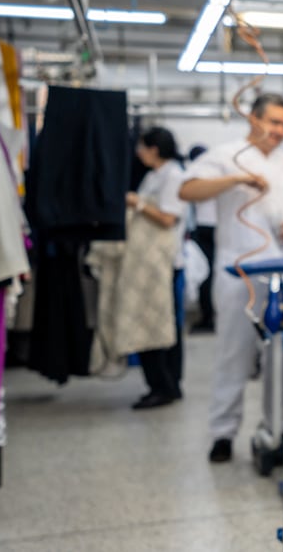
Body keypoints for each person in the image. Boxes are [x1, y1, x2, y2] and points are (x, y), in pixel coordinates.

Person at [179, 93, 283, 463]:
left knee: (281, 357)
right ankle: (223, 433)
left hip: (281, 273)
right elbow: (187, 190)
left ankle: (281, 428)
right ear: (253, 119)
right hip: (237, 271)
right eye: (273, 122)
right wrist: (237, 179)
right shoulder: (226, 155)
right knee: (233, 354)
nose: (279, 131)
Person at [127, 127, 188, 409]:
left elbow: (168, 218)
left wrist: (137, 203)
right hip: (148, 262)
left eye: (142, 146)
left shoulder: (173, 176)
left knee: (164, 326)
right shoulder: (153, 176)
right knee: (155, 323)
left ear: (154, 148)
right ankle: (161, 384)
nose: (139, 152)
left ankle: (166, 385)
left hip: (165, 263)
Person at [187, 144, 217, 334]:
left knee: (205, 276)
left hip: (204, 228)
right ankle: (211, 315)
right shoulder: (215, 174)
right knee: (212, 275)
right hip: (216, 227)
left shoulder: (193, 173)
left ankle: (208, 317)